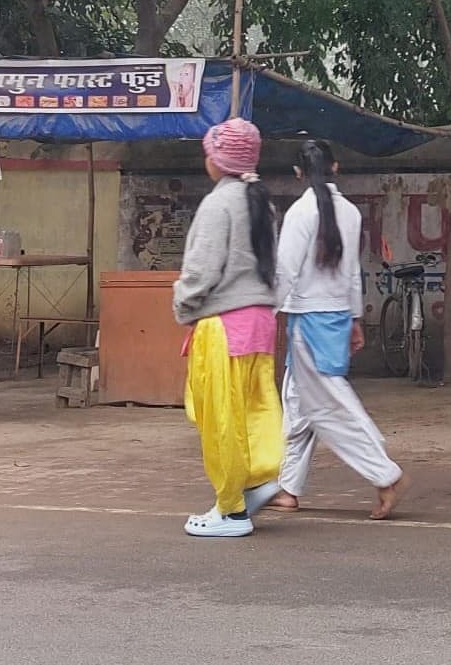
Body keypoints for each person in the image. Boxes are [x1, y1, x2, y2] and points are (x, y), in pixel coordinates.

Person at [265, 140, 407, 519]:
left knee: (328, 405)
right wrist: (355, 318)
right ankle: (289, 486)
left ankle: (384, 474)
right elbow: (352, 273)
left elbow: (285, 272)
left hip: (307, 319)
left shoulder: (299, 212)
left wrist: (266, 311)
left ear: (298, 173)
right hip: (333, 315)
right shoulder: (349, 213)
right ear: (336, 167)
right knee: (298, 404)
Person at [172, 117, 284, 539]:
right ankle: (257, 479)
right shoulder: (262, 203)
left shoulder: (218, 205)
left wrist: (182, 303)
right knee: (253, 409)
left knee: (220, 417)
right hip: (259, 322)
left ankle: (231, 510)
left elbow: (200, 271)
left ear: (218, 160)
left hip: (223, 325)